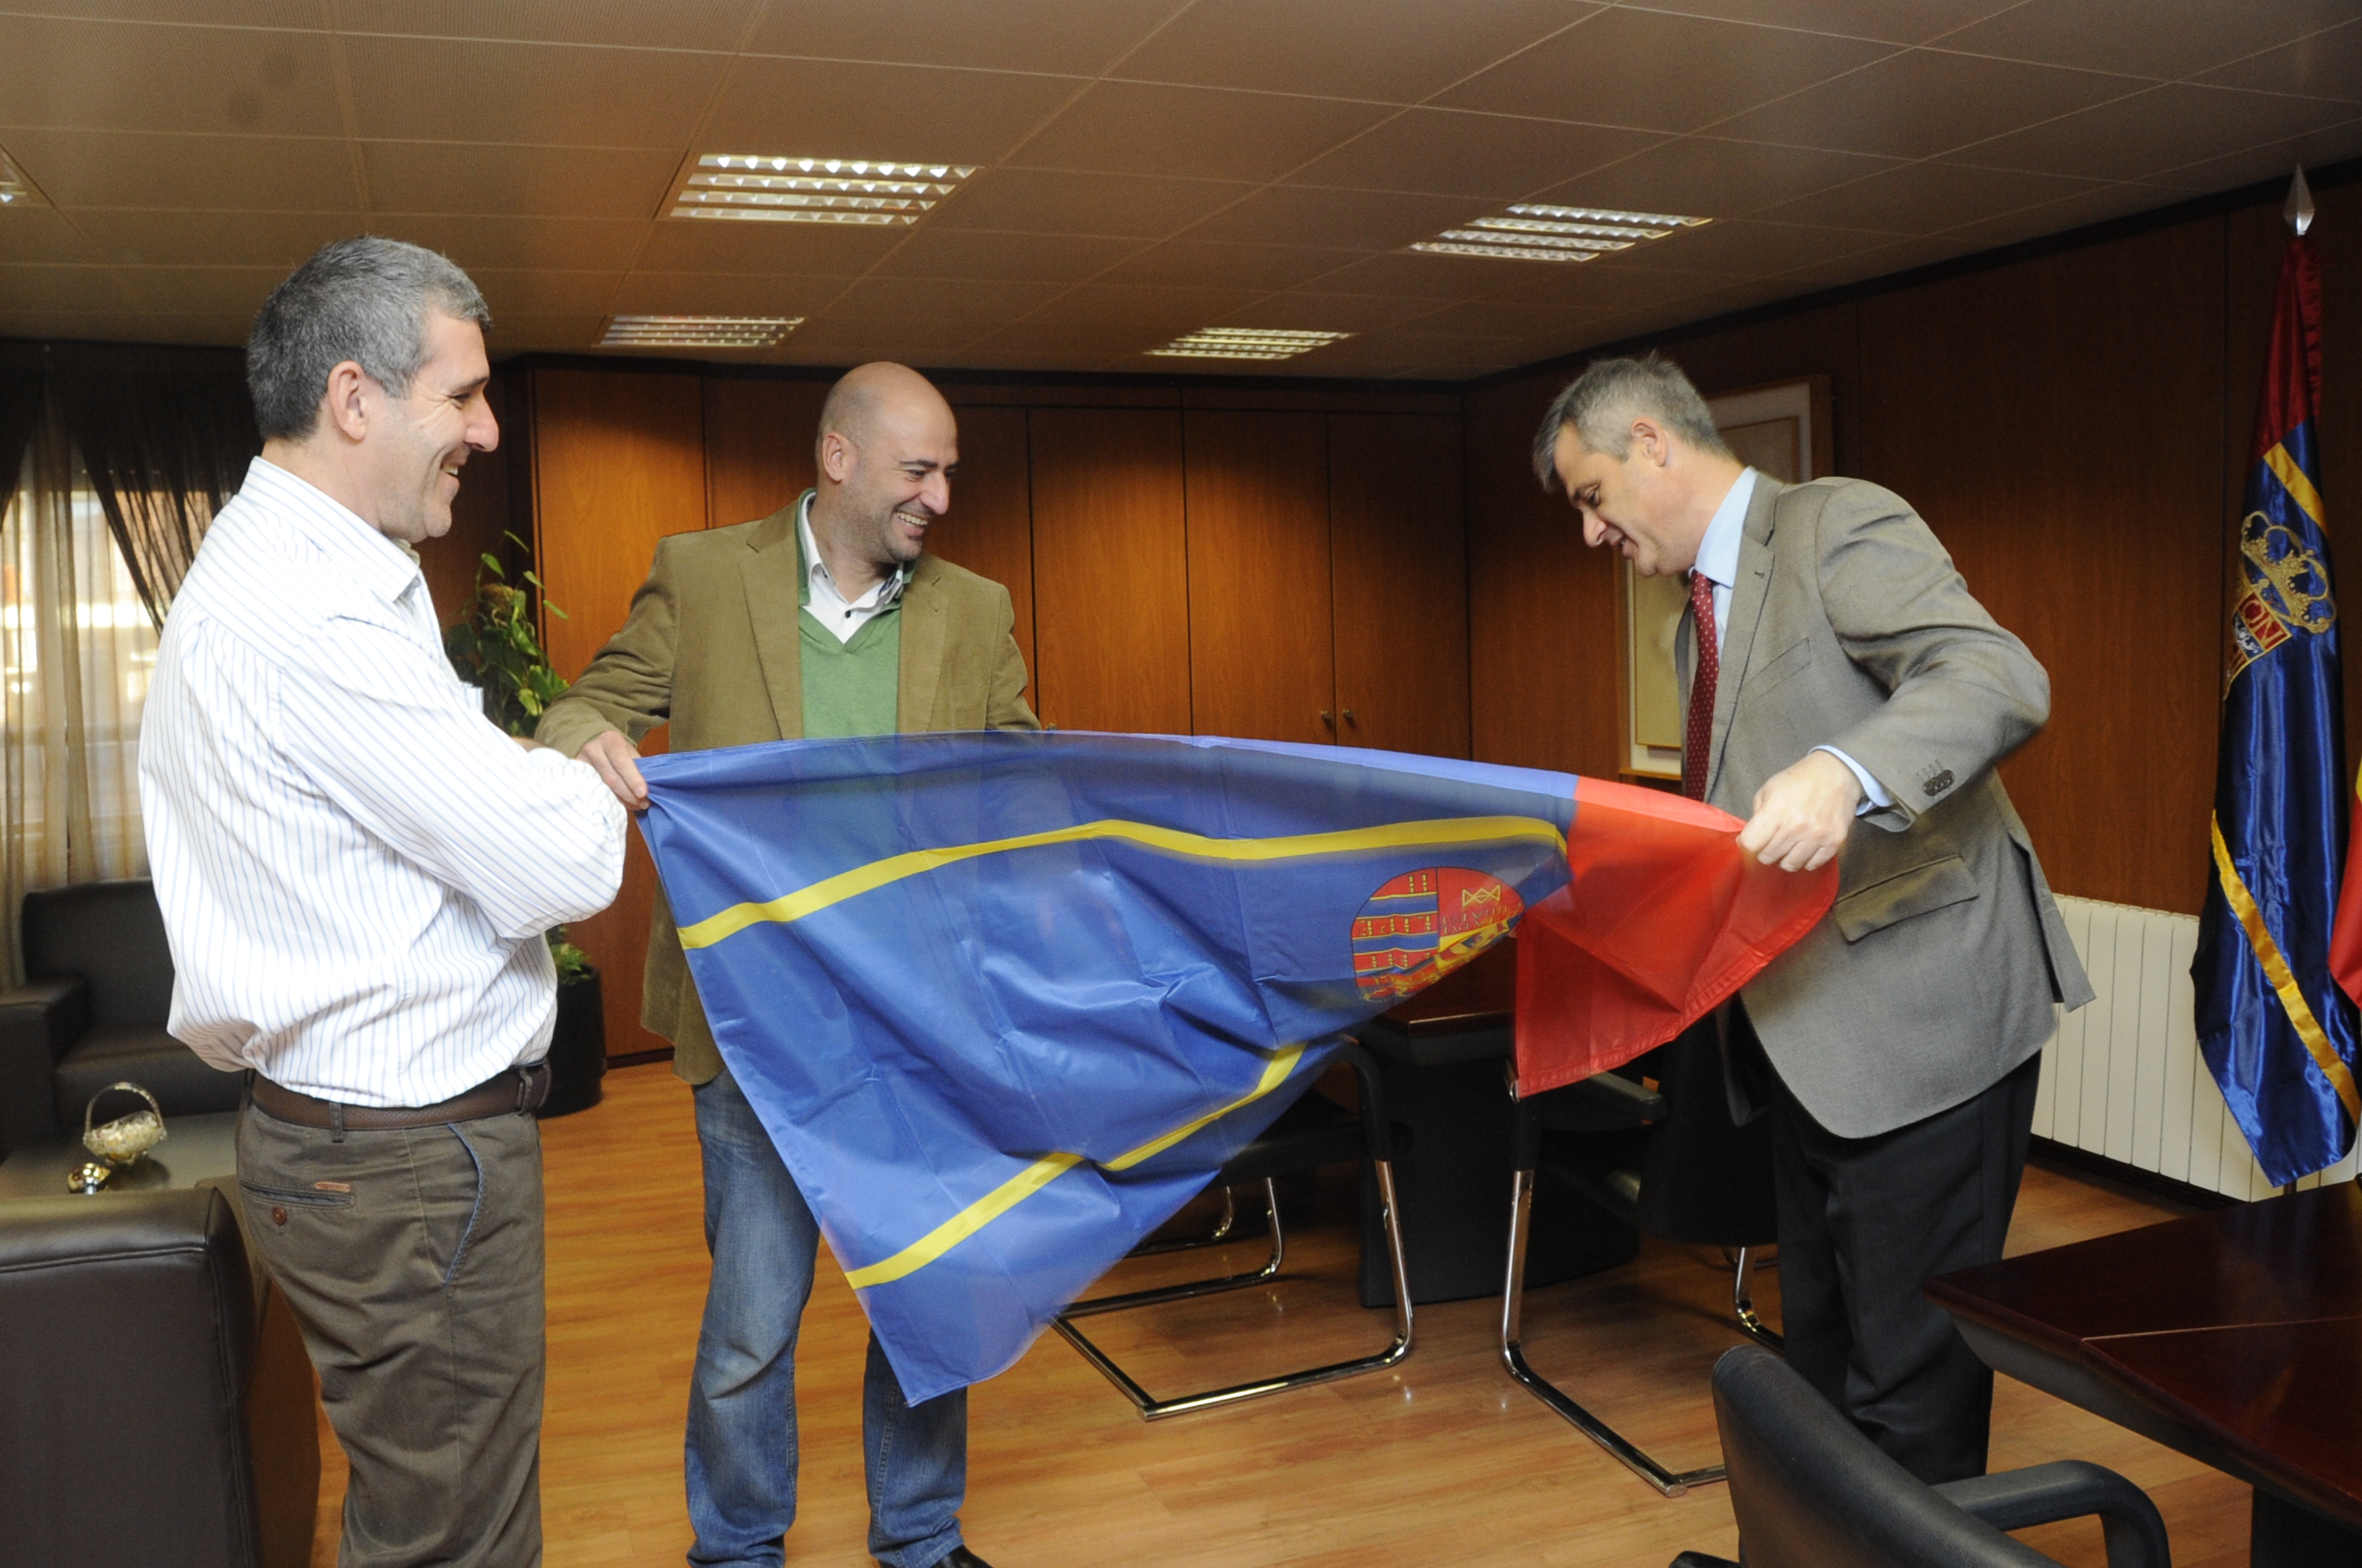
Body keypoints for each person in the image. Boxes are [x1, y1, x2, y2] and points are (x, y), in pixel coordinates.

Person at [139, 236, 628, 1567]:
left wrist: (516, 782)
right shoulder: (317, 617)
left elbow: (455, 798)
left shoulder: (309, 570)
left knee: (420, 1517)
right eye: (462, 393)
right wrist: (578, 771)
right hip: (412, 1170)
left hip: (359, 1152)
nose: (487, 424)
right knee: (458, 1541)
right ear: (355, 399)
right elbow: (561, 866)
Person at [1535, 353, 2093, 1485]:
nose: (1590, 534)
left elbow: (1995, 674)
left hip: (1926, 1028)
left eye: (1591, 496)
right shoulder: (1692, 628)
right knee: (1827, 1362)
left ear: (1651, 442)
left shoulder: (1836, 523)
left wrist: (1847, 770)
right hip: (1799, 1039)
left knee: (1913, 1374)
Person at [536, 361, 1032, 1568]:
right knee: (752, 1319)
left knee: (926, 1299)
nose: (943, 497)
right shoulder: (706, 578)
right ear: (839, 458)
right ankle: (739, 1545)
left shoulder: (976, 608)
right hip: (754, 1030)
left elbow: (1023, 782)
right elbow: (578, 707)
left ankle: (918, 1535)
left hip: (918, 1031)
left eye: (951, 470)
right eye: (921, 470)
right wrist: (592, 740)